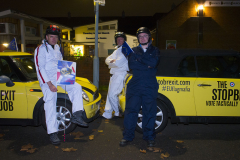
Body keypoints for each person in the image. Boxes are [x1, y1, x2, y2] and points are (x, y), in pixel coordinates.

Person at [34, 25, 88, 145]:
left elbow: (60, 64)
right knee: (50, 103)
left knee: (76, 87)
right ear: (46, 37)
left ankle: (77, 114)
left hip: (59, 76)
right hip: (47, 80)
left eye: (55, 37)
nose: (53, 39)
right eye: (51, 36)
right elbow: (40, 68)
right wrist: (49, 84)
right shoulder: (40, 49)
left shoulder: (57, 48)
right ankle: (53, 133)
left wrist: (68, 75)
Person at [119, 27, 160, 147]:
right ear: (138, 39)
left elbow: (154, 63)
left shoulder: (155, 50)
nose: (142, 38)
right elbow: (132, 64)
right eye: (140, 36)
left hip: (150, 85)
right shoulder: (133, 50)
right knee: (131, 111)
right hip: (135, 84)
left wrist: (139, 59)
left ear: (149, 37)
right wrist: (146, 63)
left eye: (145, 36)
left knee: (149, 112)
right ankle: (127, 136)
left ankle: (149, 137)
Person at [102, 32, 129, 119]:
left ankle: (117, 112)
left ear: (124, 40)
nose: (119, 40)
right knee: (110, 94)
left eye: (121, 39)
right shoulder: (117, 50)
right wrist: (112, 61)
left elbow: (117, 63)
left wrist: (113, 61)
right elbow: (106, 60)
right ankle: (108, 113)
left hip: (120, 74)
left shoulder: (125, 50)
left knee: (112, 95)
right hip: (114, 74)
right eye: (118, 39)